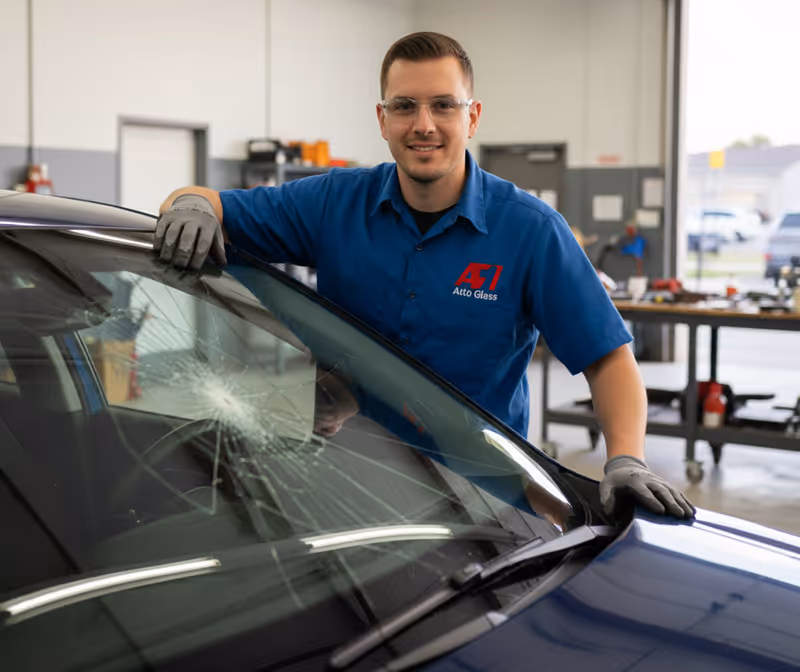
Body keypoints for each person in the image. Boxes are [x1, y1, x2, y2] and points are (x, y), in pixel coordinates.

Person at [155, 31, 694, 520]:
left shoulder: (530, 231)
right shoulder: (333, 204)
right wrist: (190, 206)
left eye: (443, 105)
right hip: (346, 479)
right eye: (405, 106)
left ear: (472, 117)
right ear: (382, 118)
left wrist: (626, 458)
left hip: (485, 501)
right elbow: (205, 200)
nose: (424, 124)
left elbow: (606, 357)